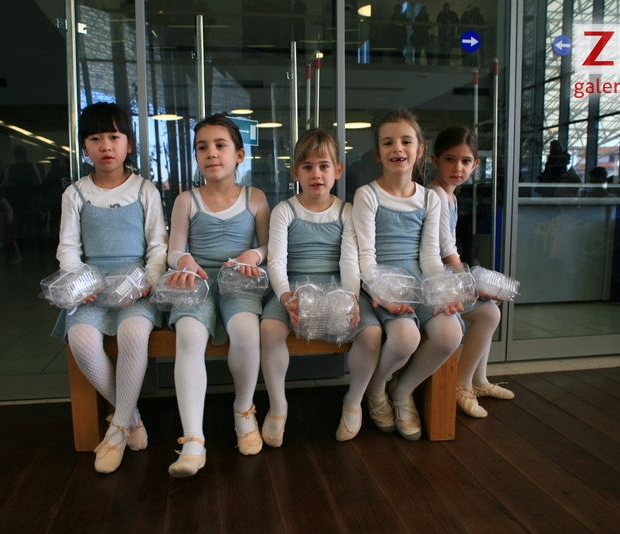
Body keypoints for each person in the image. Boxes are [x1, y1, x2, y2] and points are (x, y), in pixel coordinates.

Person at [51, 102, 168, 474]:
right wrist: (78, 283)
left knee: (134, 333)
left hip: (137, 286)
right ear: (85, 147)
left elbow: (158, 245)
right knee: (81, 340)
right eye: (95, 138)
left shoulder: (145, 189)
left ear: (128, 144)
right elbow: (68, 249)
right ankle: (129, 417)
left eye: (114, 137)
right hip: (92, 285)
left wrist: (149, 280)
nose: (106, 146)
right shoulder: (75, 193)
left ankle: (116, 431)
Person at [260, 129, 382, 446]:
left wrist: (351, 299)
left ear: (337, 170)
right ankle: (278, 405)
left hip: (339, 286)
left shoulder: (347, 211)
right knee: (269, 330)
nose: (317, 174)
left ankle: (353, 401)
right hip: (292, 287)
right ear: (295, 172)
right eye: (308, 167)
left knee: (371, 334)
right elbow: (276, 261)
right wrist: (285, 296)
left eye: (324, 166)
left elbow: (349, 261)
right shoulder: (284, 210)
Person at [165, 114, 270, 477]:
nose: (211, 153)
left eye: (220, 145)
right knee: (189, 335)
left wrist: (253, 255)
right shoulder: (186, 200)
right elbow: (173, 250)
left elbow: (268, 246)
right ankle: (193, 439)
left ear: (239, 155)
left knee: (246, 331)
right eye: (202, 147)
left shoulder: (255, 198)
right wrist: (185, 260)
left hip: (239, 281)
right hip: (197, 281)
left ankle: (244, 410)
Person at [353, 108, 463, 441]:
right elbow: (366, 258)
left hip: (419, 276)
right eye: (388, 142)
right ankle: (375, 389)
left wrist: (443, 290)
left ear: (419, 149)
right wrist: (382, 291)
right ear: (378, 153)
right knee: (405, 338)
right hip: (381, 279)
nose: (397, 148)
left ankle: (402, 390)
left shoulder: (430, 198)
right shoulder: (367, 194)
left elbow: (430, 256)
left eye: (405, 141)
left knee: (450, 334)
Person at [427, 126, 513, 418]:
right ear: (435, 160)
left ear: (475, 164)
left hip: (443, 274)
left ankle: (479, 380)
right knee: (489, 314)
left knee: (491, 306)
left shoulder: (450, 196)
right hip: (430, 279)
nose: (458, 168)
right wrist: (469, 285)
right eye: (450, 160)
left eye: (465, 161)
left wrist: (472, 283)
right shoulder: (436, 194)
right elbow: (445, 250)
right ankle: (461, 384)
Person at [2, 145, 43, 261]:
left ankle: (20, 246)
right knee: (31, 221)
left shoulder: (10, 168)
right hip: (29, 197)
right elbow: (39, 181)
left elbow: (5, 183)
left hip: (16, 199)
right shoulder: (31, 166)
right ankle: (35, 244)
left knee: (18, 223)